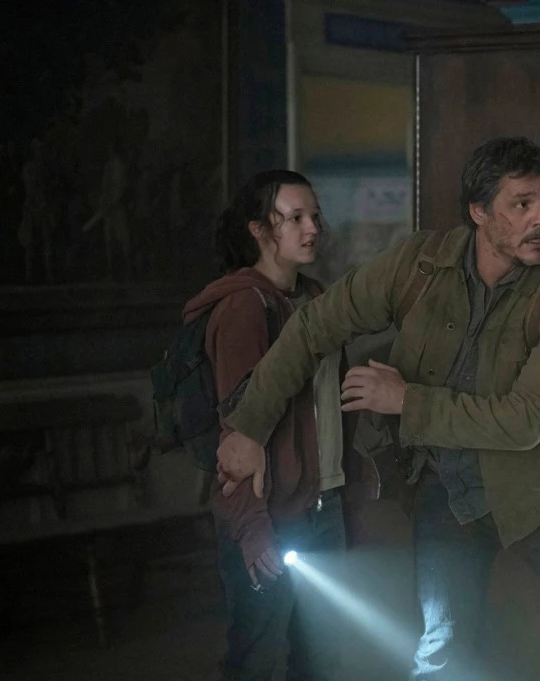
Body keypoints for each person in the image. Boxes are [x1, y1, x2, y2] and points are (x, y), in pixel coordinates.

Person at [216, 139, 540, 680]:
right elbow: (313, 326)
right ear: (479, 211)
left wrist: (406, 400)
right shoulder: (420, 264)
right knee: (443, 653)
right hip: (447, 491)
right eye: (522, 204)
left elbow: (524, 421)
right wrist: (248, 426)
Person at [182, 169, 373, 681]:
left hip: (322, 506)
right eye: (295, 217)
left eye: (315, 216)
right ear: (259, 229)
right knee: (257, 659)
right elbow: (237, 432)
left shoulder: (318, 299)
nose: (312, 228)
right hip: (271, 514)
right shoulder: (244, 307)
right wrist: (252, 528)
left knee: (322, 661)